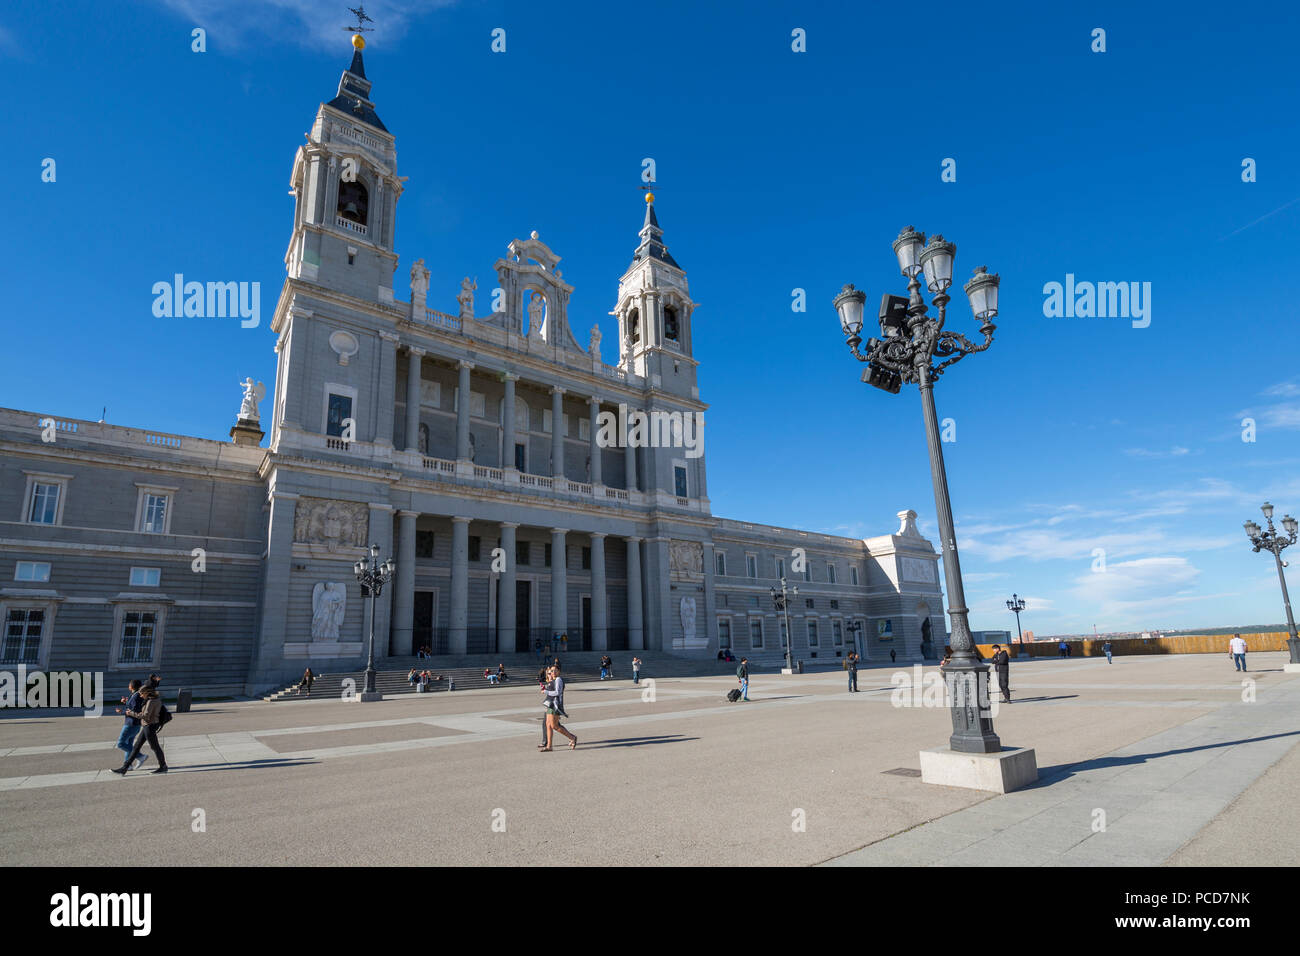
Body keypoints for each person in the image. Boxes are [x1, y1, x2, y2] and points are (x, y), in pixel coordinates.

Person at [111, 686, 168, 775]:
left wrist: (131, 713)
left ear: (147, 692)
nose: (140, 696)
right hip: (147, 725)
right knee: (137, 747)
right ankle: (125, 768)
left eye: (141, 694)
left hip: (150, 726)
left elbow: (145, 716)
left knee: (155, 747)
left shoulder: (151, 701)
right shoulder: (151, 700)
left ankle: (163, 766)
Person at [538, 664, 577, 751]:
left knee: (554, 726)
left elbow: (557, 693)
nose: (553, 672)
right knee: (548, 725)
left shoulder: (559, 680)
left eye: (555, 670)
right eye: (552, 671)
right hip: (550, 705)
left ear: (559, 671)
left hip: (555, 705)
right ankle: (549, 746)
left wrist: (546, 692)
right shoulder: (554, 680)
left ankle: (572, 737)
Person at [114, 679, 149, 770]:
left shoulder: (137, 696)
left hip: (131, 724)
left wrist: (121, 712)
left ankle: (140, 756)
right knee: (128, 744)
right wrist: (126, 701)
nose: (128, 685)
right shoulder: (134, 694)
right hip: (133, 724)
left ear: (132, 686)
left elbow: (135, 711)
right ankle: (128, 764)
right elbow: (132, 706)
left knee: (121, 744)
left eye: (129, 684)